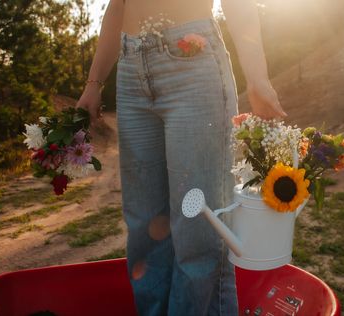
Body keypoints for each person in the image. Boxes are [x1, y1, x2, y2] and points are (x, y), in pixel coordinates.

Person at [77, 0, 286, 315]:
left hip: (192, 64)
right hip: (132, 67)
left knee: (200, 224)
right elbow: (118, 5)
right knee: (144, 225)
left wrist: (257, 77)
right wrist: (94, 83)